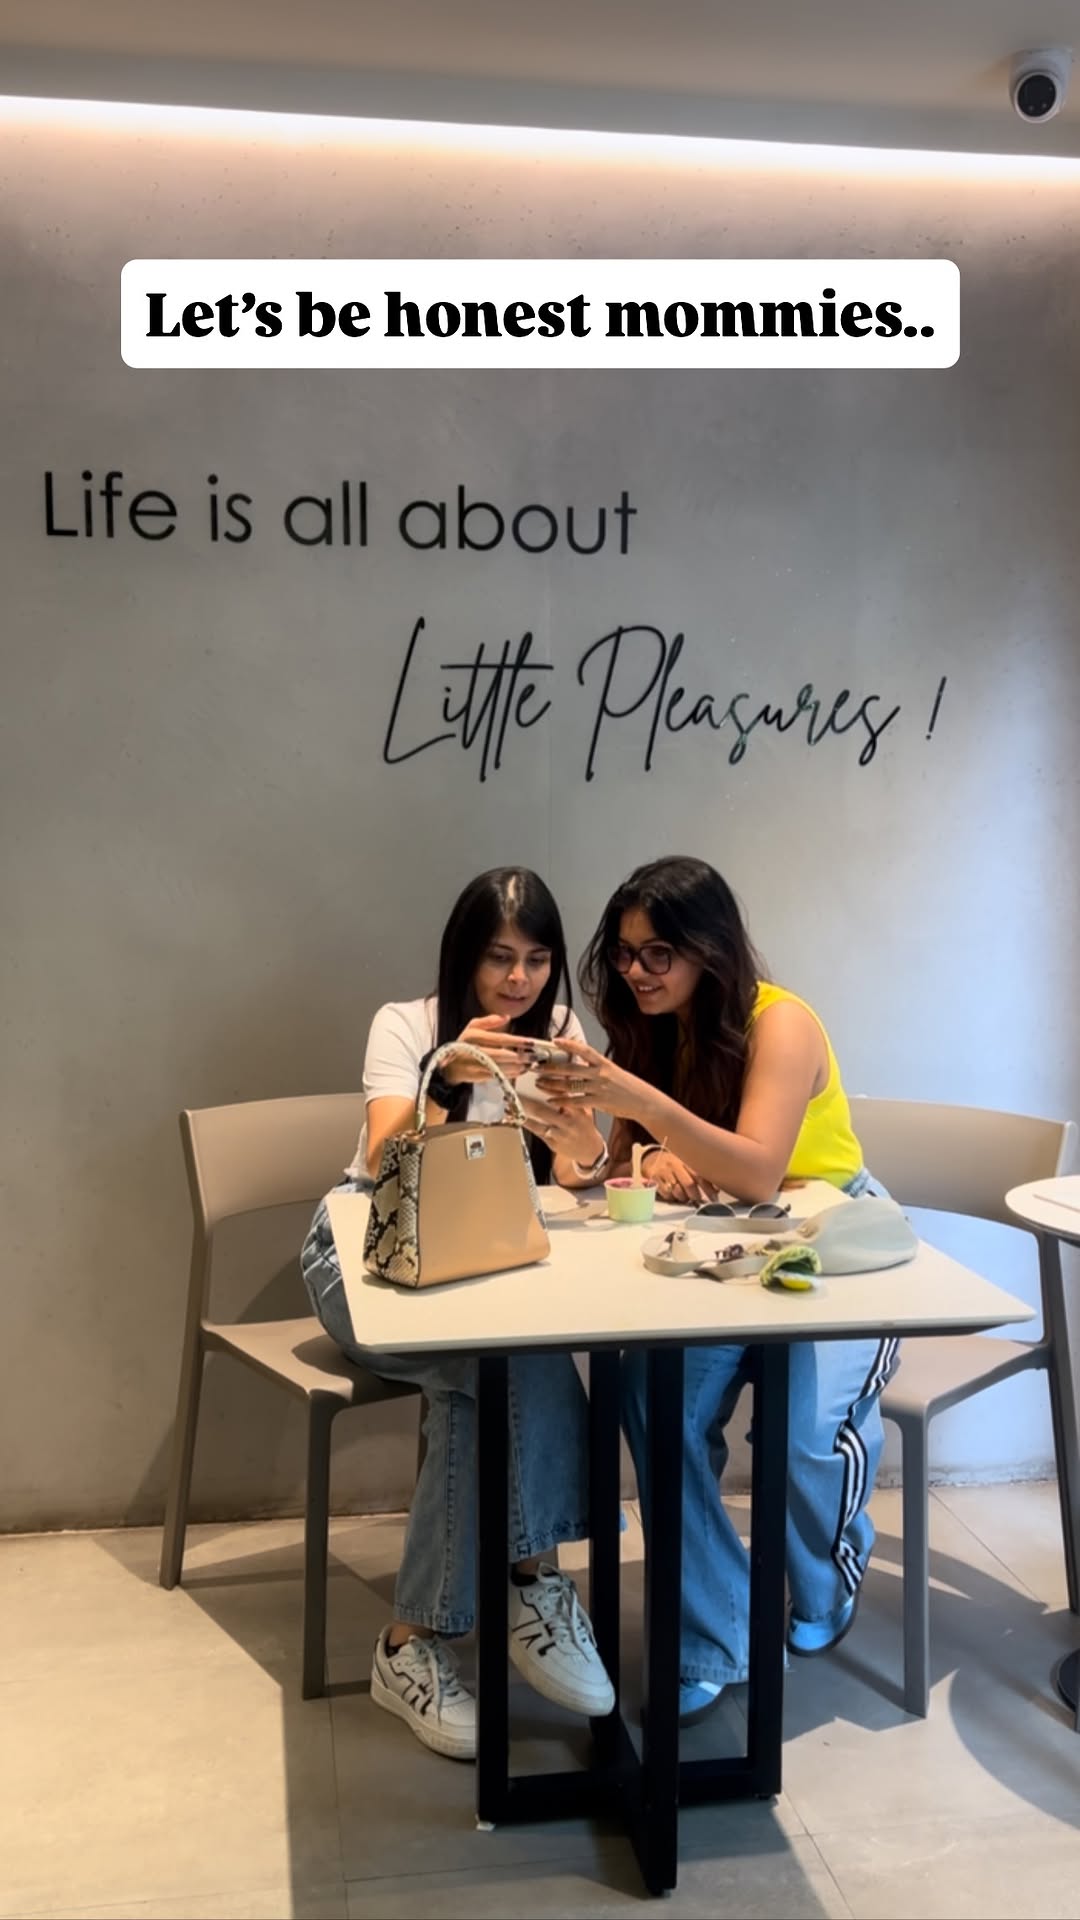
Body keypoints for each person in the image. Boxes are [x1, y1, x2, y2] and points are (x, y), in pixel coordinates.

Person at [536, 854, 896, 1724]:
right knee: (652, 1397)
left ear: (711, 946)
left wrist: (653, 1116)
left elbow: (762, 1168)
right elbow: (613, 1167)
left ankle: (828, 1575)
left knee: (801, 1428)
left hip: (835, 1244)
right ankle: (715, 1631)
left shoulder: (782, 1024)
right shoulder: (650, 1030)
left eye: (658, 953)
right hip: (727, 1247)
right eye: (625, 954)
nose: (637, 972)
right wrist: (636, 1152)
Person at [301, 867, 614, 1760]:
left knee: (495, 1365)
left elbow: (581, 1174)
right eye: (499, 958)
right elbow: (380, 1160)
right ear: (464, 956)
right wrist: (449, 1078)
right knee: (492, 1366)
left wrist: (581, 1139)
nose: (518, 980)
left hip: (485, 1253)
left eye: (537, 960)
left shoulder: (558, 1030)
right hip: (365, 1252)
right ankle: (533, 1580)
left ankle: (415, 1642)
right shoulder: (407, 1025)